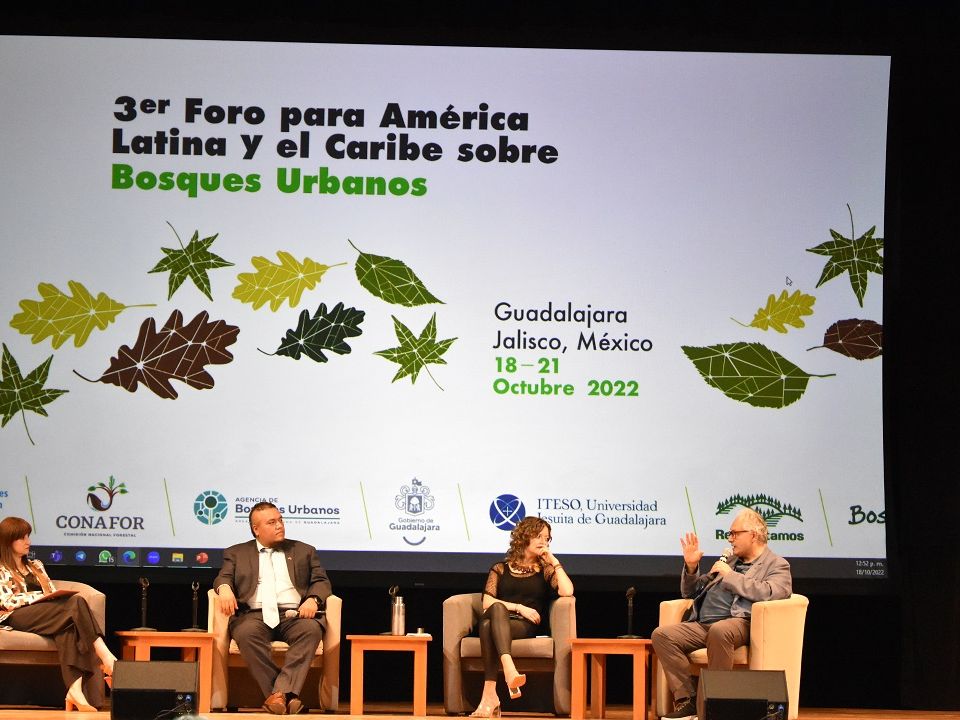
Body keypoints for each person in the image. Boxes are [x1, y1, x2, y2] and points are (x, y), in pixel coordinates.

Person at [651, 508, 793, 720]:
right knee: (662, 635)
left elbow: (773, 592)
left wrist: (731, 577)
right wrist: (691, 567)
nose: (730, 539)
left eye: (735, 533)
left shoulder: (776, 564)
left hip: (739, 622)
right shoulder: (730, 562)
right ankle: (688, 700)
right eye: (730, 534)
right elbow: (691, 592)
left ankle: (715, 703)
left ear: (753, 535)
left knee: (720, 630)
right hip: (701, 624)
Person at [212, 502, 331, 715]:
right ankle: (288, 696)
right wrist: (224, 589)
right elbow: (224, 577)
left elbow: (321, 581)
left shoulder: (303, 550)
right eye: (272, 522)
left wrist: (313, 599)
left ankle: (277, 696)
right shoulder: (237, 553)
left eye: (280, 520)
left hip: (293, 615)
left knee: (311, 630)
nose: (280, 525)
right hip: (254, 615)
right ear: (256, 529)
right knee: (246, 634)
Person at [0, 516, 118, 712]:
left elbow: (51, 591)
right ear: (7, 540)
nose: (28, 541)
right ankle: (106, 657)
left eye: (28, 536)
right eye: (22, 537)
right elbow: (7, 601)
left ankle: (74, 690)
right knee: (76, 604)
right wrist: (38, 596)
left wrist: (48, 596)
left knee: (70, 626)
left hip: (45, 613)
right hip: (15, 615)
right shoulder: (1, 568)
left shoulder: (35, 565)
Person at [471, 516, 574, 718]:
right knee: (496, 612)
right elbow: (487, 602)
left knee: (486, 626)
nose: (543, 542)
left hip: (523, 627)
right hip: (501, 618)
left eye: (546, 538)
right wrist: (520, 607)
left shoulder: (544, 570)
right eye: (538, 536)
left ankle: (489, 697)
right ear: (524, 537)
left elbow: (567, 591)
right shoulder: (500, 568)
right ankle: (509, 672)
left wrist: (554, 562)